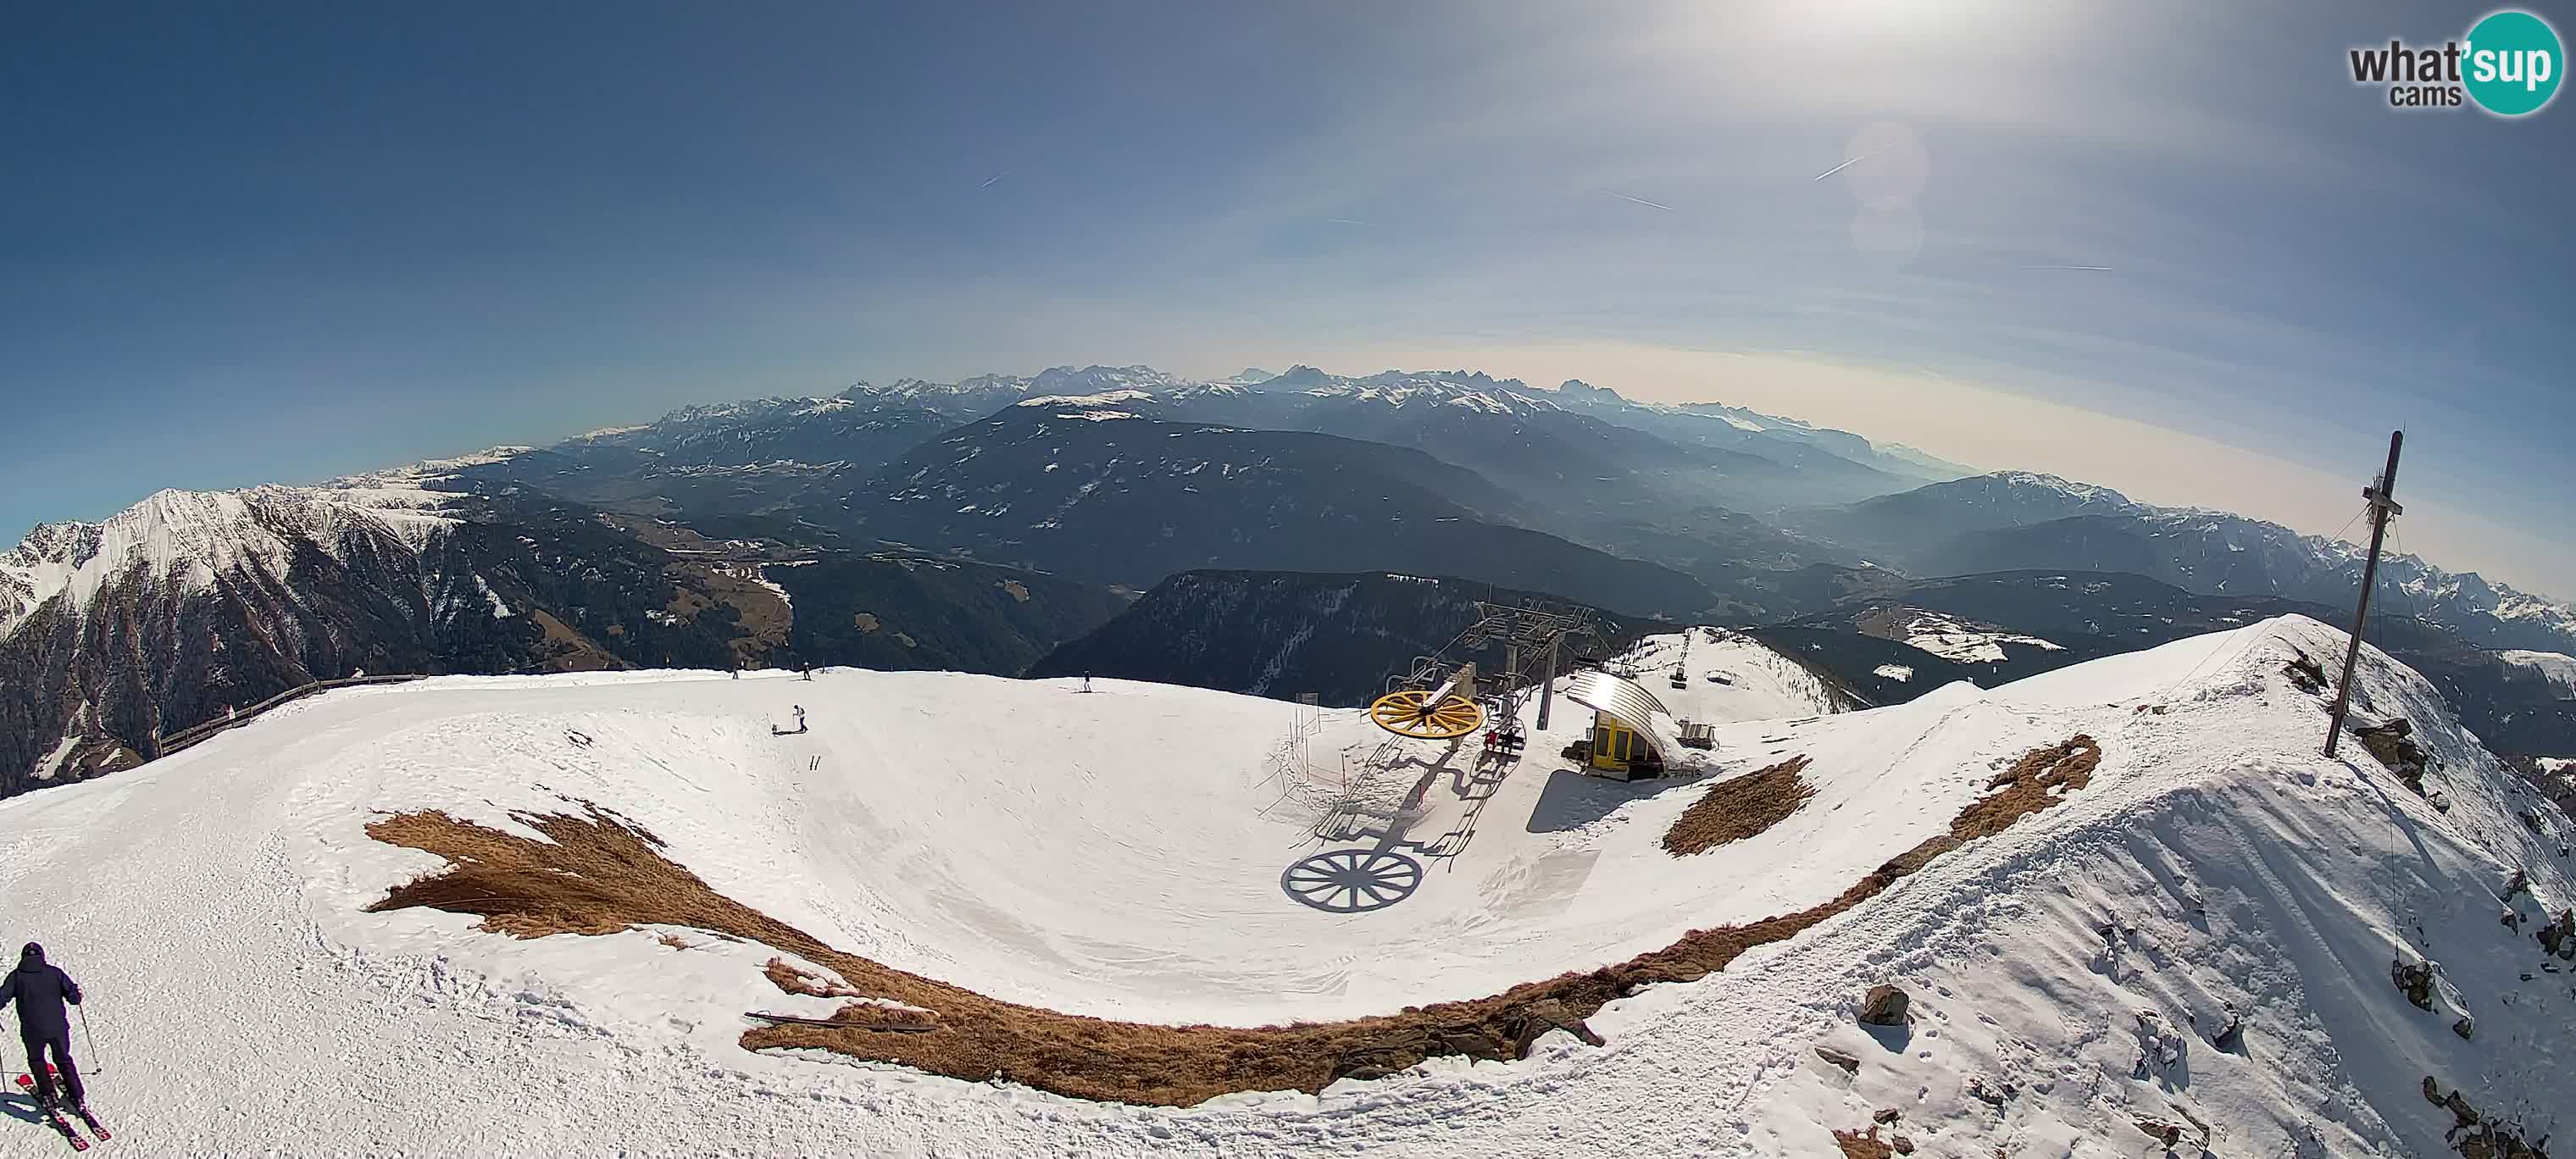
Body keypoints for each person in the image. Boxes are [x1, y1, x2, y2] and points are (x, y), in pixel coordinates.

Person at [0, 942, 86, 1113]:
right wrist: (77, 993)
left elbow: (1, 998)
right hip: (58, 1028)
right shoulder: (55, 973)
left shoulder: (16, 976)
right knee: (63, 1059)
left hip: (32, 1030)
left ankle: (48, 1095)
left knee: (37, 1060)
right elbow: (74, 999)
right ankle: (77, 1095)